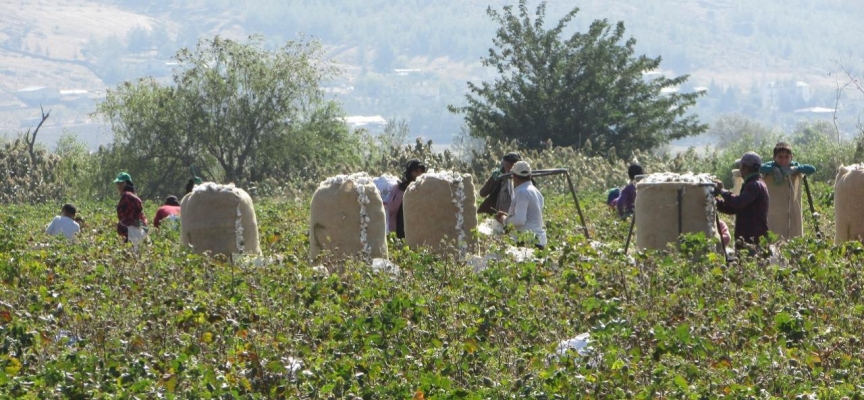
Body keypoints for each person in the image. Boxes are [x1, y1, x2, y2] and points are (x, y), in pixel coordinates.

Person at [713, 152, 770, 250]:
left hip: (752, 240)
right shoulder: (755, 184)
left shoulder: (754, 185)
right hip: (750, 239)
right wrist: (714, 202)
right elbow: (734, 208)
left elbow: (738, 203)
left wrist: (722, 190)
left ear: (744, 167)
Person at [496, 160, 547, 249]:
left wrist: (504, 220)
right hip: (539, 241)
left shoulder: (522, 193)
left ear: (514, 177)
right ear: (530, 176)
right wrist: (509, 216)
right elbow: (530, 217)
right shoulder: (536, 192)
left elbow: (520, 220)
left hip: (527, 243)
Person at [384, 159, 426, 239]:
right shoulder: (402, 188)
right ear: (411, 172)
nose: (419, 174)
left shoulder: (422, 188)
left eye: (421, 171)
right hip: (402, 224)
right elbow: (393, 207)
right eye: (416, 171)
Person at [113, 172, 148, 243]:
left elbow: (124, 218)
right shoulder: (134, 195)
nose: (119, 186)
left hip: (132, 232)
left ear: (127, 183)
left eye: (121, 183)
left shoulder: (126, 196)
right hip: (140, 230)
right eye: (118, 183)